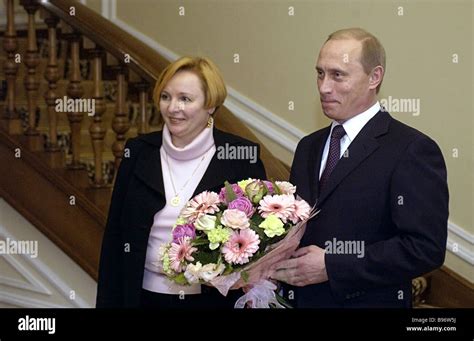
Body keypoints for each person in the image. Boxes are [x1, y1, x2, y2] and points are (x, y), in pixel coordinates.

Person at [271, 28, 448, 308]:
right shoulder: (309, 146)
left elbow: (424, 249)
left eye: (337, 75)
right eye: (320, 73)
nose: (323, 87)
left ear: (374, 77)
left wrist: (332, 265)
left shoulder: (411, 149)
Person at [96, 56, 266, 308]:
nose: (173, 107)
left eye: (185, 98)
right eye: (166, 97)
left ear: (210, 104)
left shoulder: (241, 156)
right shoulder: (139, 151)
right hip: (141, 298)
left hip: (210, 302)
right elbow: (114, 238)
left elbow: (257, 241)